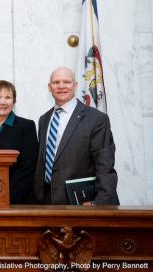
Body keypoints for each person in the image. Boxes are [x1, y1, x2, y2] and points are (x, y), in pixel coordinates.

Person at [34, 66, 119, 205]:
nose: (61, 86)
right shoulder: (44, 119)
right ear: (49, 87)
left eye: (67, 82)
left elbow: (104, 165)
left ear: (75, 85)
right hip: (45, 202)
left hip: (80, 201)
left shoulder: (97, 119)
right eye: (56, 82)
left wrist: (100, 203)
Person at [0, 81, 39, 204]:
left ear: (13, 101)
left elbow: (28, 167)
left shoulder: (26, 126)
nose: (3, 102)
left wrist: (3, 196)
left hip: (16, 200)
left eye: (8, 97)